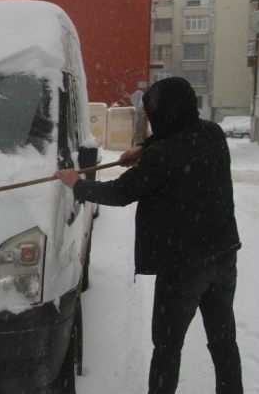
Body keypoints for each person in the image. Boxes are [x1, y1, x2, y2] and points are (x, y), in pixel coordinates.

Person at [54, 77, 243, 394]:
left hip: (183, 267)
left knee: (167, 349)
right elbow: (178, 137)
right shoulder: (212, 133)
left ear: (164, 113)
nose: (148, 118)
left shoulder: (163, 157)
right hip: (224, 256)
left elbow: (120, 192)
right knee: (223, 341)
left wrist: (78, 184)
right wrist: (143, 148)